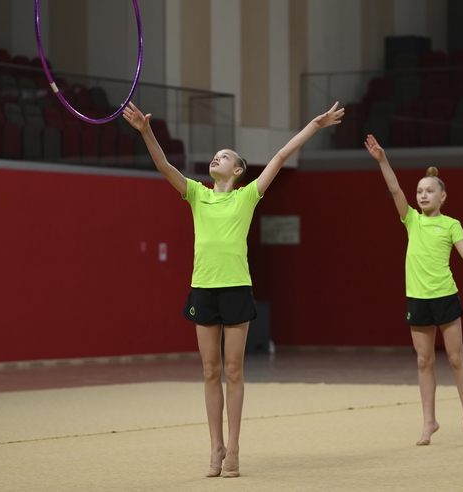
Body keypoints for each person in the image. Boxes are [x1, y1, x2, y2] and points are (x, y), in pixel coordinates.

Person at [123, 101, 344, 478]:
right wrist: (146, 131)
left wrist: (314, 125)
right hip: (203, 290)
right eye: (214, 156)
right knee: (210, 371)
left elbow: (281, 154)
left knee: (234, 370)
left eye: (224, 156)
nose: (216, 158)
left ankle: (236, 446)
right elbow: (164, 166)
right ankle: (215, 446)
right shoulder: (196, 194)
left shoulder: (248, 196)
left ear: (238, 171)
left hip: (237, 289)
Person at [364, 134, 463, 446]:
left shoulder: (452, 224)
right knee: (423, 362)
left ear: (443, 197)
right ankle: (430, 422)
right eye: (419, 191)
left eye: (429, 191)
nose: (422, 195)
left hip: (445, 297)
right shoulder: (410, 220)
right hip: (418, 299)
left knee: (456, 359)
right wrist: (382, 160)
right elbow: (394, 189)